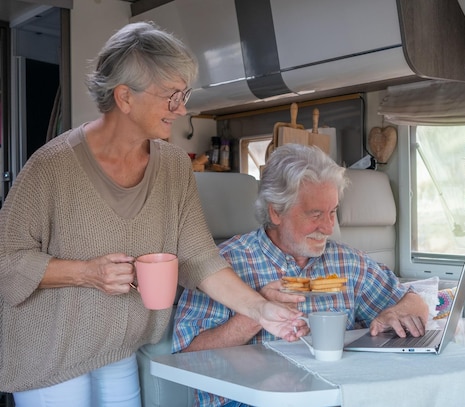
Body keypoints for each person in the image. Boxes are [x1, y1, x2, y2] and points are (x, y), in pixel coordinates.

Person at [0, 22, 306, 407]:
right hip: (50, 351)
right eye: (171, 97)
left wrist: (262, 310)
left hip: (119, 345)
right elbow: (6, 261)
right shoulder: (51, 166)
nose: (182, 109)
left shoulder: (175, 167)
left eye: (184, 94)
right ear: (125, 97)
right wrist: (86, 273)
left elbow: (200, 258)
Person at [173, 143, 430, 407]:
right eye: (315, 214)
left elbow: (415, 300)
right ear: (276, 211)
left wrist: (397, 313)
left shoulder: (348, 262)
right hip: (247, 399)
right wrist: (257, 312)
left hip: (334, 395)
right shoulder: (224, 264)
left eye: (333, 212)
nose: (329, 227)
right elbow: (186, 357)